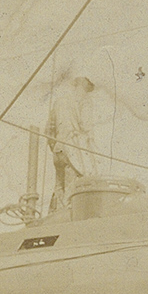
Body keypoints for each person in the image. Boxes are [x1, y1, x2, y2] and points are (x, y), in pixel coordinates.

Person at [46, 76, 98, 212]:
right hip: (73, 151)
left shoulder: (59, 102)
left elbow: (49, 130)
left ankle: (55, 217)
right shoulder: (85, 101)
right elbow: (86, 126)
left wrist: (56, 145)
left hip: (58, 150)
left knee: (59, 187)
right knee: (73, 189)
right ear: (84, 86)